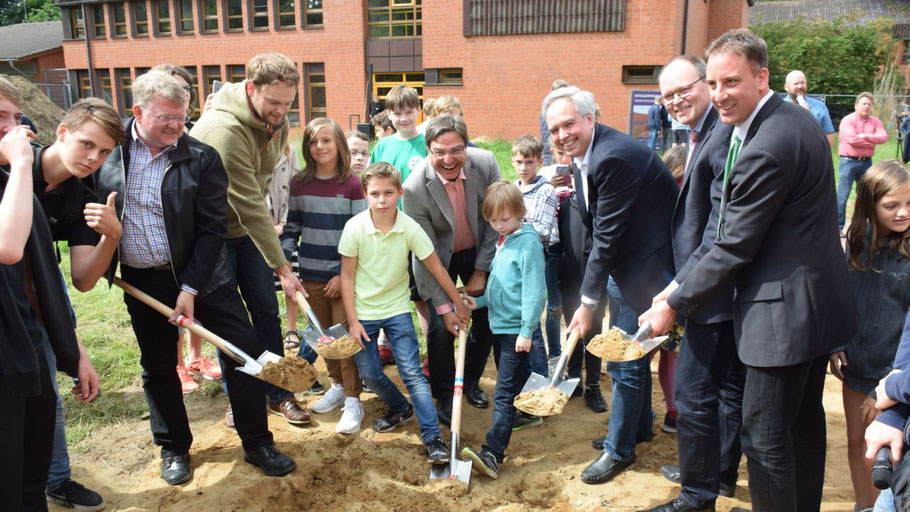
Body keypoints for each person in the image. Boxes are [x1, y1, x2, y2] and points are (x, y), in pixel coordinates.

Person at [640, 29, 856, 511]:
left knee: (764, 438)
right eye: (713, 84)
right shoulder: (785, 123)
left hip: (784, 315)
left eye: (730, 82)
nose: (719, 95)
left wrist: (671, 303)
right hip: (812, 304)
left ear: (762, 77)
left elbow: (733, 243)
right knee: (801, 428)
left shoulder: (769, 143)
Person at [94, 70, 298, 485]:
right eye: (165, 117)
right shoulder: (110, 156)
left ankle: (257, 442)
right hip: (143, 281)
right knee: (158, 366)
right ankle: (173, 448)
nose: (176, 126)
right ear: (138, 112)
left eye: (181, 116)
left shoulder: (201, 157)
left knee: (243, 353)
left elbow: (211, 231)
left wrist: (189, 287)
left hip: (206, 276)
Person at [543, 85, 678, 485]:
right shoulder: (587, 156)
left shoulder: (612, 156)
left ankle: (619, 451)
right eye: (554, 129)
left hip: (651, 273)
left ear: (590, 118)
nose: (562, 134)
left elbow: (607, 234)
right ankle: (638, 428)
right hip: (628, 268)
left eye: (569, 123)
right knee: (629, 358)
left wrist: (587, 301)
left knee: (624, 359)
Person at [642, 54, 745, 512]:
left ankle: (697, 494)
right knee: (724, 392)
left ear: (706, 85)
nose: (676, 101)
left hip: (715, 292)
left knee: (695, 394)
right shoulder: (705, 133)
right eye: (668, 96)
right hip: (708, 285)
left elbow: (718, 230)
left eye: (685, 89)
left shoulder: (722, 135)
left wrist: (679, 292)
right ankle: (716, 476)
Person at [190, 52, 311, 427]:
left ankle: (278, 392)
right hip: (212, 234)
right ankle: (239, 398)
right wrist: (283, 266)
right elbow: (247, 201)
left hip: (246, 229)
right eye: (273, 102)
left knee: (264, 310)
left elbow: (261, 184)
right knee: (232, 323)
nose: (281, 111)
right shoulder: (223, 131)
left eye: (288, 104)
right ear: (250, 89)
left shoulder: (275, 119)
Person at [0, 80, 105, 511]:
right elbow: (8, 248)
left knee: (30, 470)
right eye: (87, 145)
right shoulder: (19, 176)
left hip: (24, 339)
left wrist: (73, 347)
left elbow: (49, 280)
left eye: (13, 118)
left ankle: (52, 482)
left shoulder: (73, 194)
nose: (11, 129)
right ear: (61, 132)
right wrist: (23, 167)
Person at [338, 162, 470, 464]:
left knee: (411, 372)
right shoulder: (355, 228)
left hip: (397, 309)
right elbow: (346, 276)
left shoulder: (409, 227)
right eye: (375, 194)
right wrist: (354, 321)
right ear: (365, 195)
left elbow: (436, 267)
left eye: (388, 193)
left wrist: (458, 303)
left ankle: (433, 438)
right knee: (370, 374)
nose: (382, 200)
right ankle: (400, 408)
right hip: (363, 312)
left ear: (399, 192)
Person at [402, 114, 501, 425]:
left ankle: (470, 380)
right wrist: (448, 307)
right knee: (440, 329)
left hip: (478, 248)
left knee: (485, 320)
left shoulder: (485, 165)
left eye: (456, 150)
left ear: (467, 147)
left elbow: (493, 223)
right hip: (436, 261)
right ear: (429, 149)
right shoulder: (415, 188)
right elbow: (426, 254)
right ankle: (444, 393)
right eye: (439, 151)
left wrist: (481, 271)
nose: (448, 159)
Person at [828, 160, 910, 510]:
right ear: (869, 205)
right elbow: (841, 297)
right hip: (856, 365)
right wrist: (836, 342)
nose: (903, 212)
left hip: (895, 373)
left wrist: (888, 386)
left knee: (886, 449)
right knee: (856, 440)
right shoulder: (856, 244)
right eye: (891, 205)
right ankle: (864, 505)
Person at [281, 118, 367, 434]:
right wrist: (284, 261)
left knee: (343, 338)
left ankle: (354, 399)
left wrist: (341, 276)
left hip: (341, 277)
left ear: (338, 145)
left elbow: (360, 236)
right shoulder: (300, 183)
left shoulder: (352, 184)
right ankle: (337, 386)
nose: (320, 147)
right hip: (310, 275)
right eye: (314, 141)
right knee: (322, 336)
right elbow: (293, 226)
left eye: (327, 141)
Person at [459, 180, 546, 478]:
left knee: (504, 391)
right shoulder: (505, 239)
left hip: (515, 331)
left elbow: (535, 292)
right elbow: (502, 286)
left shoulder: (528, 243)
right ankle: (529, 413)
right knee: (517, 377)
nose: (498, 224)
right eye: (493, 220)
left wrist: (526, 331)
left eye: (505, 219)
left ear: (521, 212)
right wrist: (478, 301)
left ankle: (493, 453)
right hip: (501, 325)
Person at [538, 142, 574, 367]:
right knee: (555, 304)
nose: (564, 159)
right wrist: (549, 187)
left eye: (568, 154)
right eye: (560, 153)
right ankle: (554, 354)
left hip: (575, 248)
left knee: (576, 303)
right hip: (552, 247)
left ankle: (573, 353)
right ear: (552, 151)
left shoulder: (585, 171)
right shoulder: (543, 176)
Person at [838, 92, 889, 234]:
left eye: (869, 104)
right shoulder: (847, 120)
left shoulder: (875, 122)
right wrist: (872, 142)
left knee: (866, 195)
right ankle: (838, 227)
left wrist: (866, 136)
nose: (866, 107)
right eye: (864, 104)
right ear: (856, 105)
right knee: (843, 195)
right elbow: (852, 140)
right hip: (848, 162)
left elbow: (884, 137)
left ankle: (864, 227)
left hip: (866, 163)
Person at [782, 70, 835, 147]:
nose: (800, 86)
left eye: (802, 83)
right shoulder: (780, 107)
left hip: (814, 154)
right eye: (796, 84)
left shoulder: (820, 106)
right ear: (786, 87)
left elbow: (828, 134)